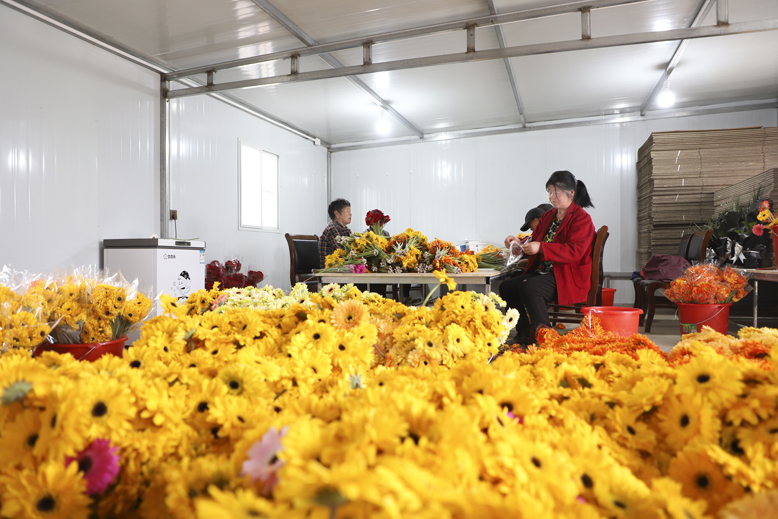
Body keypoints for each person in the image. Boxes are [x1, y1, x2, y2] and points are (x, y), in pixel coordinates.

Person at [501, 171, 595, 346]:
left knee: (530, 288)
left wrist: (542, 247)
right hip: (547, 272)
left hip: (567, 276)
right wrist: (516, 242)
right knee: (507, 286)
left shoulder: (582, 219)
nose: (551, 197)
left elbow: (575, 251)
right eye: (550, 193)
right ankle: (524, 332)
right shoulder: (549, 216)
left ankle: (546, 339)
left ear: (571, 193)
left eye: (555, 193)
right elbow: (533, 239)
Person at [503, 203, 553, 270]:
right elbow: (530, 241)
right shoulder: (538, 236)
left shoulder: (553, 234)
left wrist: (528, 261)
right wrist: (518, 242)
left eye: (530, 225)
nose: (531, 229)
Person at [319, 199, 353, 269]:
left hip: (342, 269)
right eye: (347, 211)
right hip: (331, 273)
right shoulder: (332, 229)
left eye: (350, 211)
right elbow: (346, 251)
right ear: (337, 214)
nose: (350, 214)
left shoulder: (346, 230)